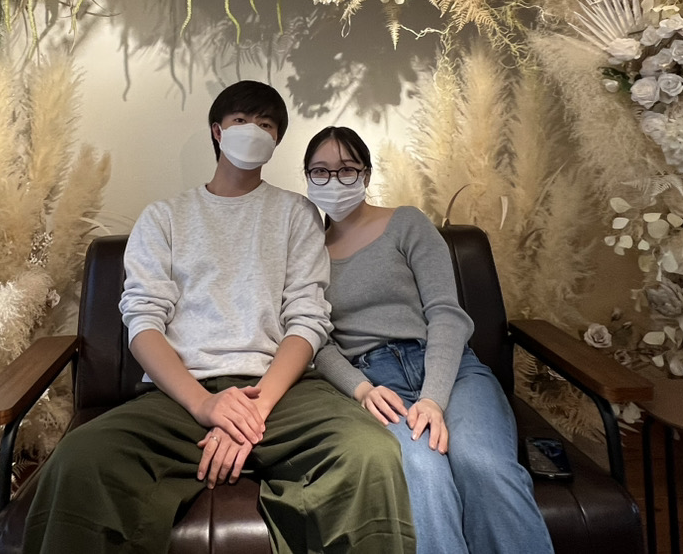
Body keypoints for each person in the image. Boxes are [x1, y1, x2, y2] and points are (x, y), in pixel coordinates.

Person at [23, 83, 415, 554]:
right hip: (181, 393)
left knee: (371, 453)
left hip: (282, 392)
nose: (254, 131)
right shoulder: (164, 217)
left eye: (266, 125)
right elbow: (142, 324)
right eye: (241, 121)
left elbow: (308, 320)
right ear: (217, 131)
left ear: (276, 141)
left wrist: (253, 411)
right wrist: (205, 406)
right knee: (80, 457)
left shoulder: (297, 213)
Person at [304, 125, 554, 554]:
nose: (333, 181)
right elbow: (317, 342)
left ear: (366, 174)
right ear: (308, 178)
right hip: (376, 384)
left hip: (450, 370)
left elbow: (446, 313)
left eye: (346, 169)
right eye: (320, 172)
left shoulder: (406, 223)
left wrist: (434, 399)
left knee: (482, 463)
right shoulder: (308, 251)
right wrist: (362, 390)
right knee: (422, 471)